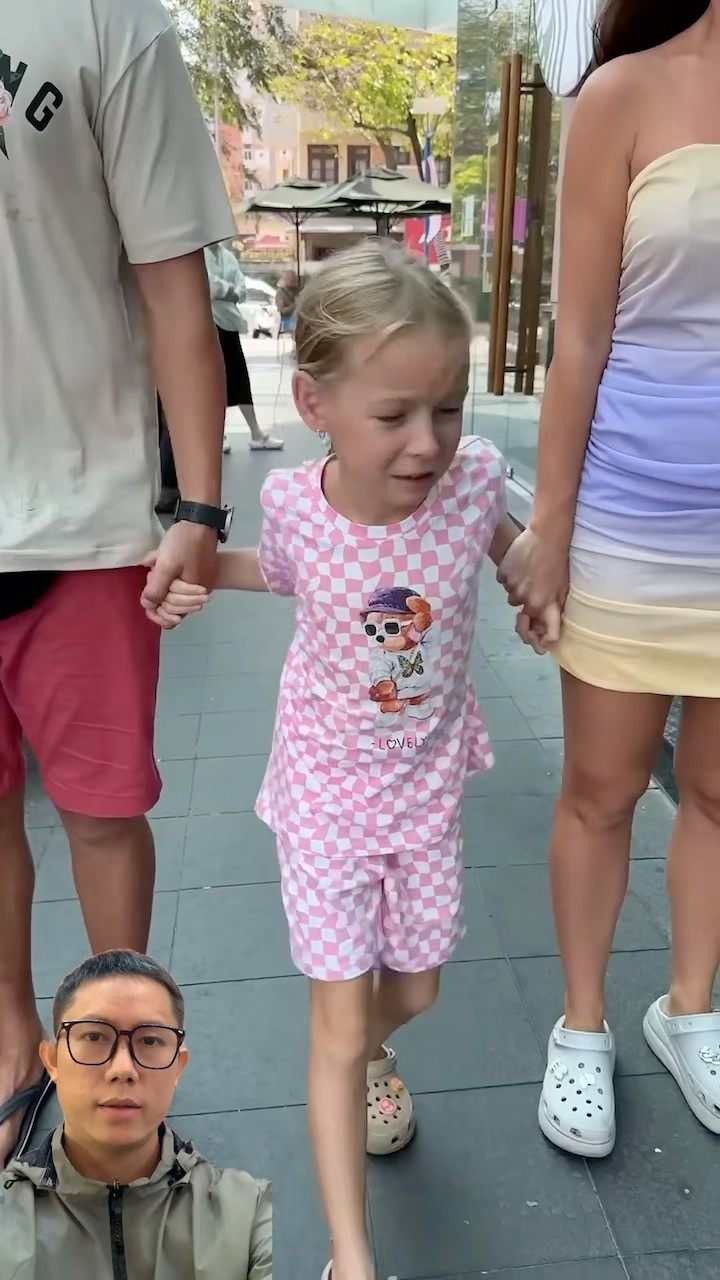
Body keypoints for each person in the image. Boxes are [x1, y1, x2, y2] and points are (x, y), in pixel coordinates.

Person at [156, 241, 559, 1280]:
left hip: (425, 786)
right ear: (316, 405)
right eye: (395, 415)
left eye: (449, 408)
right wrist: (198, 573)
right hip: (326, 791)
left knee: (416, 989)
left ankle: (366, 1047)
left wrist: (532, 576)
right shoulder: (299, 506)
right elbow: (281, 571)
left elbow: (505, 541)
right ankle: (350, 1249)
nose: (428, 442)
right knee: (335, 1025)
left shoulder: (473, 481)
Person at [0, 0, 238, 1168]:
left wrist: (201, 506)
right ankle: (10, 1036)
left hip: (84, 515)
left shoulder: (103, 15)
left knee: (101, 812)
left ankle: (117, 1056)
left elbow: (171, 279)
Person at [498, 0, 720, 1159]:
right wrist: (550, 527)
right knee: (602, 786)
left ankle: (691, 1006)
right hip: (636, 514)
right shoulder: (623, 94)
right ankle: (581, 1023)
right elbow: (577, 335)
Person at [0, 950, 272, 1279]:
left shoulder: (251, 1215)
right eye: (94, 1036)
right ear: (53, 1061)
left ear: (178, 1066)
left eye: (150, 1040)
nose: (123, 1068)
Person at [204, 241, 284, 452]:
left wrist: (228, 291)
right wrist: (228, 290)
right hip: (209, 322)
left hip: (229, 322)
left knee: (239, 376)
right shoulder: (198, 254)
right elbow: (208, 286)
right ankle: (217, 434)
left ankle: (256, 433)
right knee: (214, 380)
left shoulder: (227, 256)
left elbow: (241, 288)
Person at [275, 271, 300, 336]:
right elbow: (281, 310)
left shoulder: (296, 291)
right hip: (286, 320)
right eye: (290, 279)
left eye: (294, 278)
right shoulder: (280, 293)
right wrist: (294, 306)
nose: (293, 281)